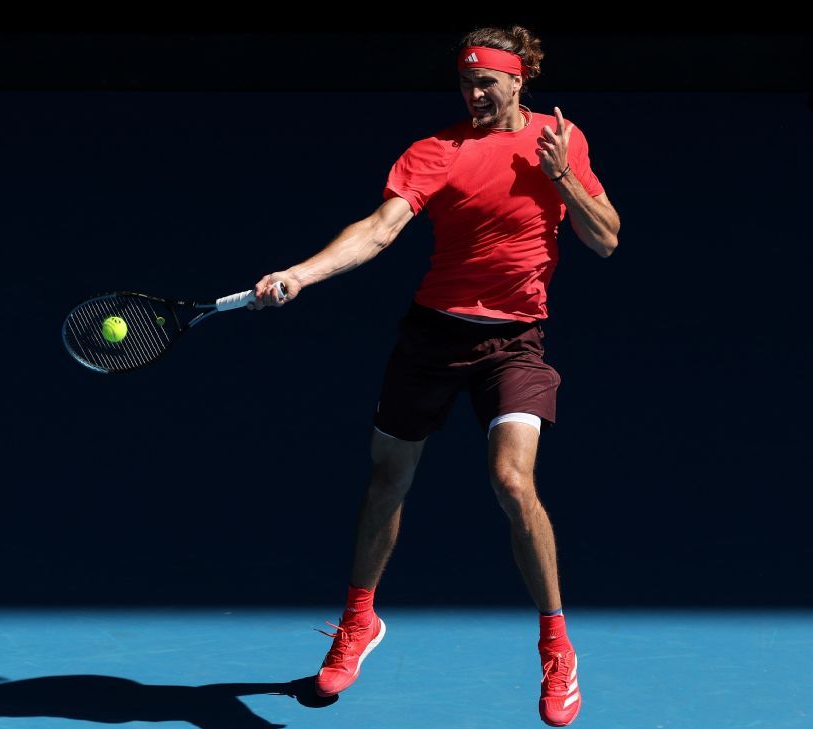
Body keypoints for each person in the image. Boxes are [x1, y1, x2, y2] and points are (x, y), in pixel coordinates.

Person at [248, 25, 619, 727]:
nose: (475, 93)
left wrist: (561, 171)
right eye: (465, 82)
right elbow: (379, 228)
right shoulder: (434, 152)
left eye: (488, 82)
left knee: (513, 480)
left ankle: (557, 643)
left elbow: (606, 239)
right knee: (388, 478)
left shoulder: (562, 140)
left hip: (516, 342)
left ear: (519, 81)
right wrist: (302, 273)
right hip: (432, 337)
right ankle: (360, 620)